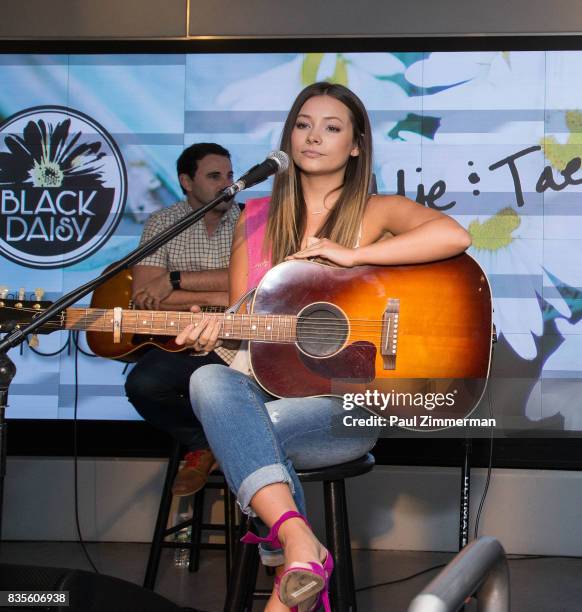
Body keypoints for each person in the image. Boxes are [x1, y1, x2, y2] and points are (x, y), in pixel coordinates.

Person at [175, 83, 472, 612]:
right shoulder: (256, 215)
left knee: (245, 437)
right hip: (265, 392)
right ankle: (299, 546)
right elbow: (245, 322)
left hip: (344, 406)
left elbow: (454, 237)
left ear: (356, 145)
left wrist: (351, 254)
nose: (313, 137)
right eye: (303, 124)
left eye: (332, 127)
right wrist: (212, 329)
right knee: (206, 379)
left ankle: (286, 548)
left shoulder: (376, 210)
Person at [125, 143, 240, 497]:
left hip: (238, 345)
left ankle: (245, 460)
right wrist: (219, 295)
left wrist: (175, 280)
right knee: (142, 384)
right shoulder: (162, 222)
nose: (228, 184)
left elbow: (245, 290)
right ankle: (204, 443)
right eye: (215, 176)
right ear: (186, 181)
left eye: (231, 176)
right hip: (181, 342)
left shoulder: (250, 219)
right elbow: (145, 297)